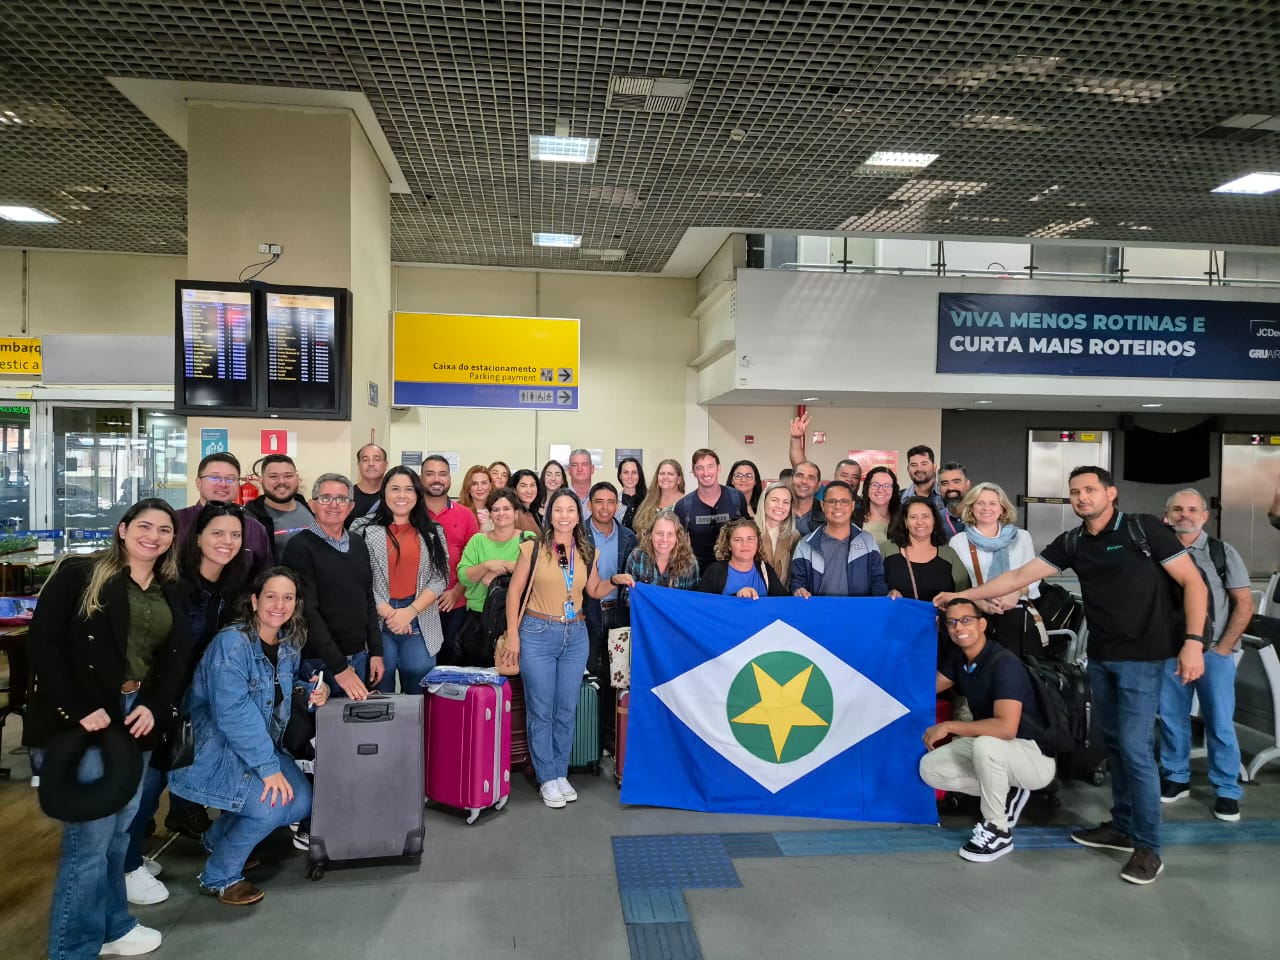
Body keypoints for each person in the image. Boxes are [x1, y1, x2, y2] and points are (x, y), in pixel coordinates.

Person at [934, 465, 1209, 886]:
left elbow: (1194, 583)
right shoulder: (1075, 541)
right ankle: (1121, 826)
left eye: (1090, 490)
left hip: (1145, 658)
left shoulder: (1143, 530)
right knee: (1114, 744)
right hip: (1100, 658)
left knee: (1135, 749)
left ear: (1110, 493)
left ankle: (1149, 847)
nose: (1082, 497)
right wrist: (962, 596)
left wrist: (1192, 641)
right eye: (1075, 492)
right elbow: (1018, 577)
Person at [26, 498, 192, 959]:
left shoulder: (169, 587)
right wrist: (79, 707)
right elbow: (43, 643)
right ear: (122, 529)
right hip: (88, 717)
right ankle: (72, 948)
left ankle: (113, 927)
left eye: (163, 530)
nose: (153, 536)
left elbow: (173, 658)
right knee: (89, 839)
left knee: (121, 829)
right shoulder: (81, 574)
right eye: (144, 526)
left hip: (137, 712)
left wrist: (155, 706)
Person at [169, 568, 327, 906]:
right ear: (254, 600)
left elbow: (283, 686)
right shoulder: (232, 644)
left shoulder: (289, 641)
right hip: (213, 749)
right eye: (271, 596)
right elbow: (233, 714)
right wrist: (268, 768)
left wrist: (315, 688)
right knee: (271, 808)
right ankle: (219, 876)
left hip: (256, 746)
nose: (279, 605)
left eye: (288, 598)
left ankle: (218, 838)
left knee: (302, 800)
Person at [124, 501, 250, 905]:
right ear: (196, 537)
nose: (226, 542)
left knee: (166, 772)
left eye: (234, 535)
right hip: (158, 694)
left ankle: (130, 857)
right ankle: (125, 866)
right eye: (217, 533)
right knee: (147, 782)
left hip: (192, 697)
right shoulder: (172, 581)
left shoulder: (230, 584)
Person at [499, 489, 616, 809]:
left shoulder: (587, 551)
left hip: (575, 635)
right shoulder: (533, 548)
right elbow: (514, 594)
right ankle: (546, 776)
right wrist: (513, 635)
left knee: (566, 709)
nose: (564, 515)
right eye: (558, 510)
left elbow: (593, 589)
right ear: (550, 514)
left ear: (579, 515)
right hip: (537, 633)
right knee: (541, 709)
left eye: (570, 510)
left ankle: (560, 772)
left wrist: (615, 581)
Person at [920, 599, 1057, 863]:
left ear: (982, 623)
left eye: (966, 620)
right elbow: (925, 688)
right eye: (952, 622)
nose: (959, 627)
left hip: (1032, 754)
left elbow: (1006, 728)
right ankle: (1007, 790)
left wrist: (949, 725)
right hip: (996, 747)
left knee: (986, 744)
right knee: (930, 768)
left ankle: (998, 829)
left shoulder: (1004, 663)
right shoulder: (961, 659)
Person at [1157, 488, 1254, 822]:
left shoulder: (1221, 552)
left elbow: (1244, 603)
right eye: (1178, 509)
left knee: (1219, 722)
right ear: (1165, 515)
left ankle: (1227, 789)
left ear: (1205, 515)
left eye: (1192, 509)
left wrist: (1224, 647)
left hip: (1213, 654)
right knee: (1171, 719)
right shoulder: (1154, 552)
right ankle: (1175, 778)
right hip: (1168, 652)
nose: (1185, 515)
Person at [282, 474, 383, 703]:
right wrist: (339, 668)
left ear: (351, 507)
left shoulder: (358, 543)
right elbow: (307, 611)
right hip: (320, 660)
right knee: (322, 733)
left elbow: (367, 600)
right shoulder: (299, 547)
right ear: (312, 504)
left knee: (354, 732)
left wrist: (376, 651)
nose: (334, 505)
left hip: (359, 657)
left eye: (341, 499)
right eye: (326, 498)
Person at [350, 466, 449, 695]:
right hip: (376, 620)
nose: (401, 496)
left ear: (417, 494)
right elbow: (357, 577)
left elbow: (440, 578)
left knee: (420, 689)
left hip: (419, 618)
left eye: (408, 489)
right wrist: (388, 611)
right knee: (379, 689)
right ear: (384, 492)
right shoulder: (363, 529)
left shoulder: (433, 531)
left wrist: (409, 612)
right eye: (395, 489)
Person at [948, 482, 1041, 656]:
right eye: (980, 503)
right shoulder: (959, 541)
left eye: (992, 503)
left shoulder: (1021, 537)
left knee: (1014, 670)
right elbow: (957, 584)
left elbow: (1035, 576)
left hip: (1016, 614)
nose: (986, 508)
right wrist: (977, 601)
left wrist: (1017, 592)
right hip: (977, 614)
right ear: (971, 508)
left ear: (1002, 509)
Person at [581, 482, 637, 749]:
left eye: (611, 501)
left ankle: (613, 738)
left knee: (618, 676)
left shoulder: (629, 536)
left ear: (618, 505)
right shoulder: (577, 534)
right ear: (589, 504)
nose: (605, 507)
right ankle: (590, 739)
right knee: (591, 675)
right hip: (587, 613)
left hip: (619, 613)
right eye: (599, 501)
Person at [177, 452, 272, 580]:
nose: (223, 484)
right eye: (214, 478)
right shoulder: (176, 521)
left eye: (231, 479)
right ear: (198, 483)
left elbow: (264, 577)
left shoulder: (254, 528)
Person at [422, 455, 480, 656]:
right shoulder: (411, 513)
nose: (436, 479)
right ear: (421, 478)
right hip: (417, 604)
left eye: (442, 474)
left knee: (450, 661)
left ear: (450, 479)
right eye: (430, 474)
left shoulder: (465, 514)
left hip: (455, 602)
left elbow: (474, 560)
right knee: (421, 664)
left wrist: (456, 591)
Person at [791, 480, 887, 598]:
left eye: (844, 501)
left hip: (858, 612)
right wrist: (798, 590)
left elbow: (878, 581)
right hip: (819, 613)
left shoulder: (868, 541)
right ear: (823, 505)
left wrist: (888, 595)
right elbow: (797, 581)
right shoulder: (805, 545)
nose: (838, 506)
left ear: (852, 506)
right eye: (831, 502)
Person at [459, 487, 536, 619]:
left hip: (517, 614)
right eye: (496, 510)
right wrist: (486, 566)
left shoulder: (528, 538)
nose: (501, 513)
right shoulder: (478, 540)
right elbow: (464, 578)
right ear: (490, 515)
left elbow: (537, 572)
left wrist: (502, 569)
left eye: (506, 508)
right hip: (479, 615)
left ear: (516, 513)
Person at [881, 496, 971, 603]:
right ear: (905, 521)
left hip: (939, 618)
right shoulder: (887, 549)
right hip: (897, 618)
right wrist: (886, 595)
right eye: (913, 517)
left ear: (934, 520)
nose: (920, 522)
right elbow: (874, 585)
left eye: (925, 516)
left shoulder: (948, 554)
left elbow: (963, 594)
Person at [673, 448, 747, 572]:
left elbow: (747, 533)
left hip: (733, 572)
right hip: (698, 574)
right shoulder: (683, 506)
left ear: (719, 468)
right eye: (700, 468)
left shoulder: (737, 498)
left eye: (710, 466)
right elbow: (677, 546)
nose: (706, 473)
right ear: (694, 471)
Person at [244, 453, 313, 561]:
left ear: (297, 479)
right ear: (261, 480)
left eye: (288, 476)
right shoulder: (250, 519)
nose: (281, 481)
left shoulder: (311, 510)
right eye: (273, 476)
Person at [698, 518, 789, 598]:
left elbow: (784, 602)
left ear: (758, 542)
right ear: (728, 545)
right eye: (738, 539)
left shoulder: (765, 569)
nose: (745, 544)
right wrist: (737, 596)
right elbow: (703, 606)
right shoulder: (714, 571)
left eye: (750, 539)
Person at [622, 509, 700, 590]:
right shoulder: (637, 557)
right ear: (650, 535)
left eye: (670, 534)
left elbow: (693, 599)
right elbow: (627, 595)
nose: (664, 539)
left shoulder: (689, 563)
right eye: (660, 533)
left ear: (677, 537)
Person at [758, 482, 800, 592]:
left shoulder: (794, 537)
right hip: (751, 597)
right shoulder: (748, 531)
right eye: (774, 500)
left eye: (786, 502)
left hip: (781, 599)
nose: (780, 506)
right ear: (764, 501)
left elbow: (793, 577)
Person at [631, 458, 685, 537]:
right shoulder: (649, 500)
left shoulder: (685, 502)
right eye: (662, 473)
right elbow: (639, 529)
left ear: (679, 479)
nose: (665, 477)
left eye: (670, 474)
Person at [853, 466, 902, 545]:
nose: (880, 490)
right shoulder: (853, 519)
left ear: (894, 490)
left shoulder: (903, 519)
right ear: (867, 487)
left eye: (886, 486)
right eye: (875, 485)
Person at [903, 445, 947, 515]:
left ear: (934, 467)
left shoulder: (947, 495)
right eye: (914, 465)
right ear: (908, 469)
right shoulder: (899, 498)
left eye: (924, 464)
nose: (919, 469)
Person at [351, 443, 389, 521]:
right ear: (358, 465)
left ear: (386, 464)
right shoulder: (347, 496)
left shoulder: (393, 495)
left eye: (377, 459)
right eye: (365, 460)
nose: (371, 464)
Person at [936, 461, 970, 538]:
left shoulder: (982, 515)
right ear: (939, 488)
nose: (951, 487)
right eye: (945, 483)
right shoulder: (936, 520)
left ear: (967, 485)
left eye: (956, 482)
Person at [790, 460, 824, 534]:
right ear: (791, 481)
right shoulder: (778, 511)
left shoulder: (826, 515)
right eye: (799, 476)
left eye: (811, 478)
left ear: (818, 486)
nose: (804, 481)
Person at [458, 464, 494, 533]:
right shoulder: (458, 510)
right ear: (468, 488)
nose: (480, 488)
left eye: (484, 483)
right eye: (474, 484)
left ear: (490, 486)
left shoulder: (497, 510)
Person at [509, 468, 544, 533]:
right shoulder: (514, 514)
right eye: (523, 486)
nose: (529, 490)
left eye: (532, 485)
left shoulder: (532, 512)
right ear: (514, 489)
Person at [617, 456, 646, 529]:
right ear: (620, 476)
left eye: (634, 472)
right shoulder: (613, 500)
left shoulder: (649, 500)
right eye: (626, 472)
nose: (630, 476)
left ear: (639, 475)